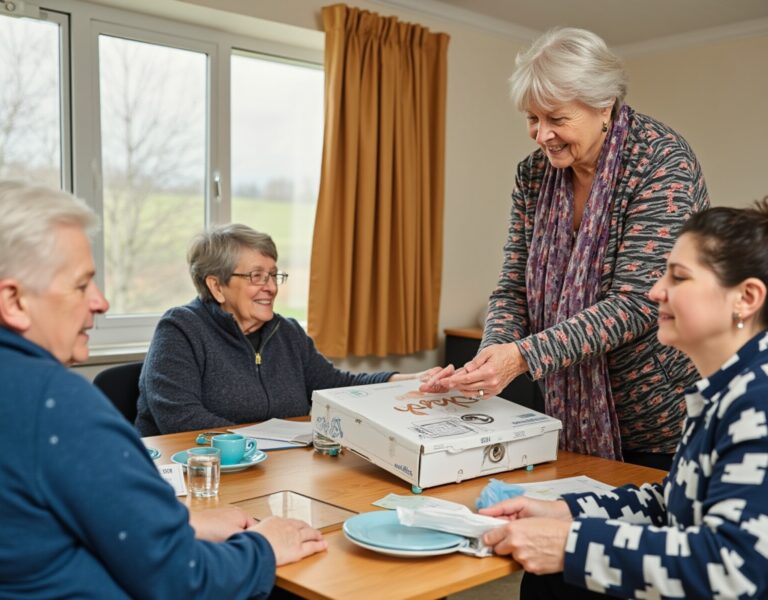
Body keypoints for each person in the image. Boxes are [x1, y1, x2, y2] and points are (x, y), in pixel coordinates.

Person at [0, 180, 326, 598]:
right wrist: (264, 547)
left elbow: (71, 517)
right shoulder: (58, 406)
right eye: (81, 285)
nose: (101, 302)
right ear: (13, 301)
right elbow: (183, 580)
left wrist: (182, 522)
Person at [425, 27, 709, 467]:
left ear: (604, 107)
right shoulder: (534, 175)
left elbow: (636, 303)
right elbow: (513, 289)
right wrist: (490, 355)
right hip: (564, 413)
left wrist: (521, 356)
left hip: (658, 415)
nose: (541, 135)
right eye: (532, 118)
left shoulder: (661, 163)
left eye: (557, 119)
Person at [479, 201, 768, 599]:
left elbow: (734, 570)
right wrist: (566, 512)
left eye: (678, 277)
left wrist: (570, 545)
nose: (655, 291)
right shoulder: (730, 387)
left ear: (746, 298)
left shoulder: (758, 401)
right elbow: (673, 503)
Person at [136, 223, 443, 435]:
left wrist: (411, 380)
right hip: (199, 476)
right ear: (216, 286)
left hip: (272, 471)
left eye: (273, 275)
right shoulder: (180, 329)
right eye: (256, 276)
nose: (270, 287)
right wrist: (260, 443)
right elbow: (181, 420)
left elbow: (336, 384)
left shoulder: (286, 332)